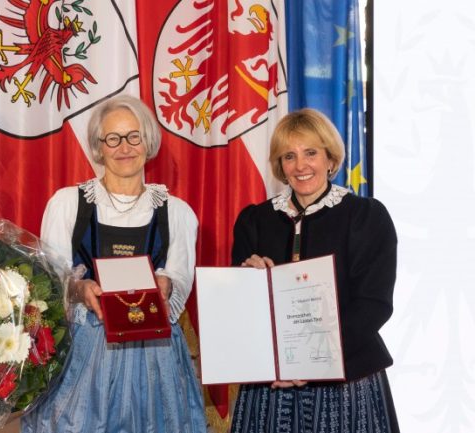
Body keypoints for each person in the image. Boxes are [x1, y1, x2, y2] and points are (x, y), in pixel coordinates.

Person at [21, 95, 206, 432]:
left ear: (148, 142)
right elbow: (50, 281)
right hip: (84, 351)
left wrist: (167, 285)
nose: (125, 147)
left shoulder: (177, 212)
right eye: (113, 138)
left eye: (134, 136)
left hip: (154, 355)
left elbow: (179, 278)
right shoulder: (67, 204)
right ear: (98, 147)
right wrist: (77, 288)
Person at [230, 108, 399, 433]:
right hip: (271, 385)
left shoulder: (366, 217)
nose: (300, 166)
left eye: (311, 153)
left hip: (345, 381)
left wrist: (314, 357)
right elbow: (241, 308)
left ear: (330, 158)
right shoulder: (254, 220)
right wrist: (246, 278)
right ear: (280, 165)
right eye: (289, 156)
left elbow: (374, 304)